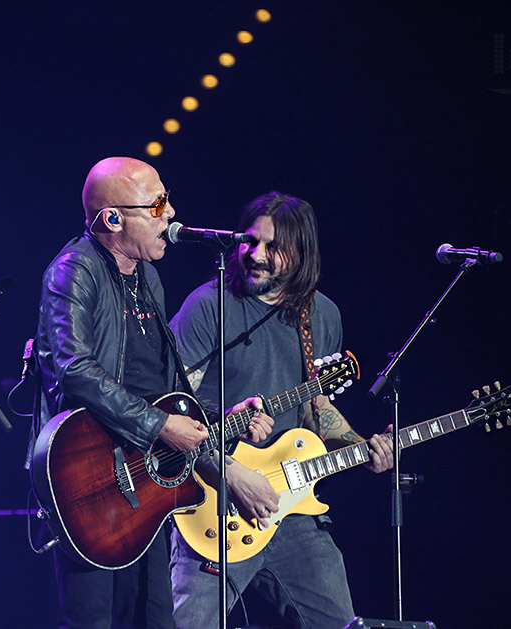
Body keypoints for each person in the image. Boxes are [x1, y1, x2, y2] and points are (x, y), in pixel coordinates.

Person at [34, 156, 271, 628]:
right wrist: (162, 425)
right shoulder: (74, 271)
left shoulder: (149, 278)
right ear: (113, 219)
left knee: (154, 619)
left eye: (167, 199)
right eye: (157, 204)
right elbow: (75, 369)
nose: (171, 214)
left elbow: (159, 388)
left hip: (143, 478)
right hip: (89, 475)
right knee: (91, 619)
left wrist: (222, 416)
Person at [168, 192, 395, 629]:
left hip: (291, 507)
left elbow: (316, 406)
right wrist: (229, 444)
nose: (255, 255)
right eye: (250, 241)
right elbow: (170, 407)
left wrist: (360, 445)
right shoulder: (208, 306)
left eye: (273, 247)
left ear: (301, 253)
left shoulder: (321, 315)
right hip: (215, 498)